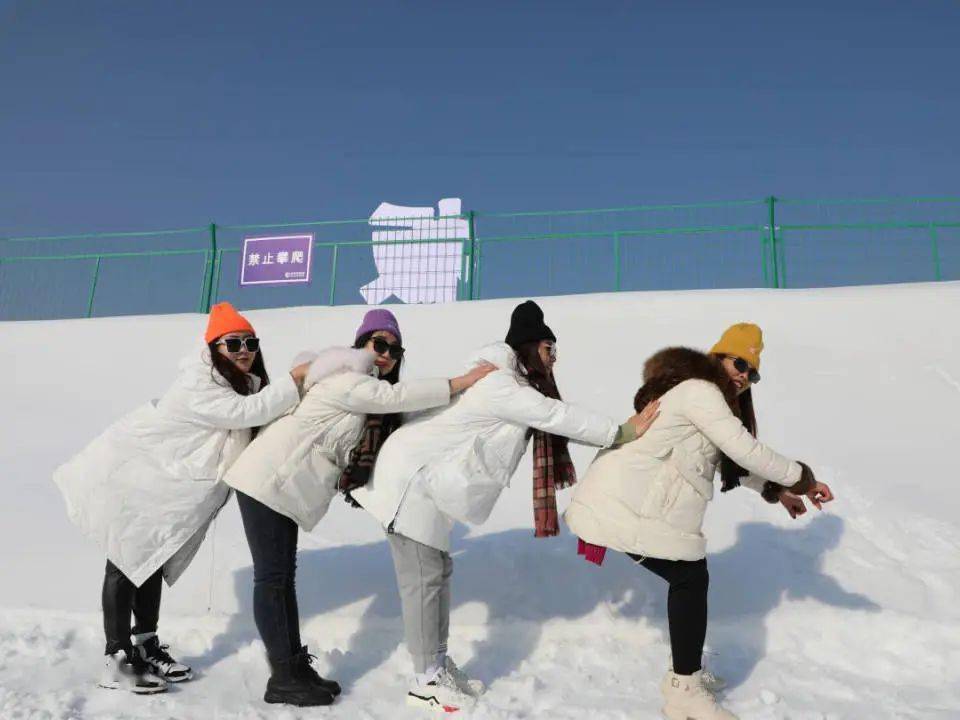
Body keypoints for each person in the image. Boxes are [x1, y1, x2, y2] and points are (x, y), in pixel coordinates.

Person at [353, 300, 659, 713]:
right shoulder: (501, 384)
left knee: (437, 572)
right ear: (532, 346)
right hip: (408, 483)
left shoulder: (509, 380)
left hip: (426, 485)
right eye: (550, 349)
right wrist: (620, 432)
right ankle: (426, 679)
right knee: (424, 580)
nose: (554, 360)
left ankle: (436, 665)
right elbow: (553, 414)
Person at [222, 308, 496, 707]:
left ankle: (294, 669)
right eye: (378, 344)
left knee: (281, 578)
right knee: (273, 579)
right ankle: (283, 676)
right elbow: (397, 397)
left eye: (394, 349)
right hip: (268, 481)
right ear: (361, 345)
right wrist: (463, 382)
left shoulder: (368, 397)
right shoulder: (346, 377)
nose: (386, 354)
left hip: (281, 487)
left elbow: (397, 411)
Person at [564, 323, 835, 720]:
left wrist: (778, 493)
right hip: (622, 505)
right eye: (739, 362)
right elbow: (746, 450)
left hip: (626, 504)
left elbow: (730, 465)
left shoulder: (706, 398)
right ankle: (683, 688)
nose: (744, 375)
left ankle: (684, 678)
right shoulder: (700, 391)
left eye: (752, 371)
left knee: (689, 576)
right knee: (690, 578)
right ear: (718, 357)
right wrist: (805, 480)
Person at [53, 302, 308, 695]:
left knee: (151, 558)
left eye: (250, 342)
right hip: (134, 477)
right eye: (233, 343)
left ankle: (145, 644)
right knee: (125, 558)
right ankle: (116, 658)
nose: (244, 350)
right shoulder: (199, 383)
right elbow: (245, 413)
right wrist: (295, 380)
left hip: (168, 489)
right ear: (213, 349)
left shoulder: (241, 385)